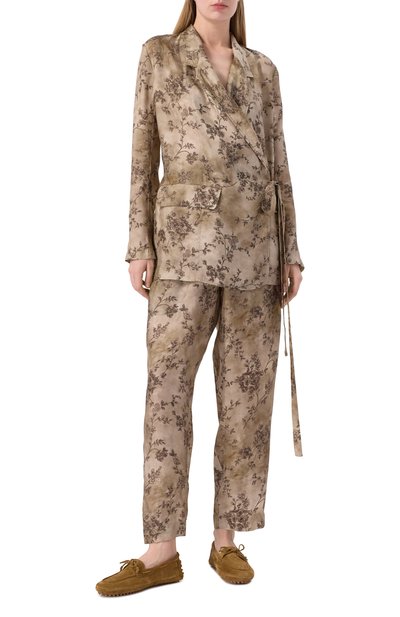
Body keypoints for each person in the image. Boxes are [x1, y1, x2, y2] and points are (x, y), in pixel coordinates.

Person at [96, 0, 305, 596]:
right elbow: (142, 156)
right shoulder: (160, 55)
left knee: (246, 399)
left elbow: (279, 163)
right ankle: (161, 550)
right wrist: (139, 243)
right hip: (182, 250)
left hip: (256, 252)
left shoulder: (262, 69)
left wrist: (291, 250)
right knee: (166, 393)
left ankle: (226, 539)